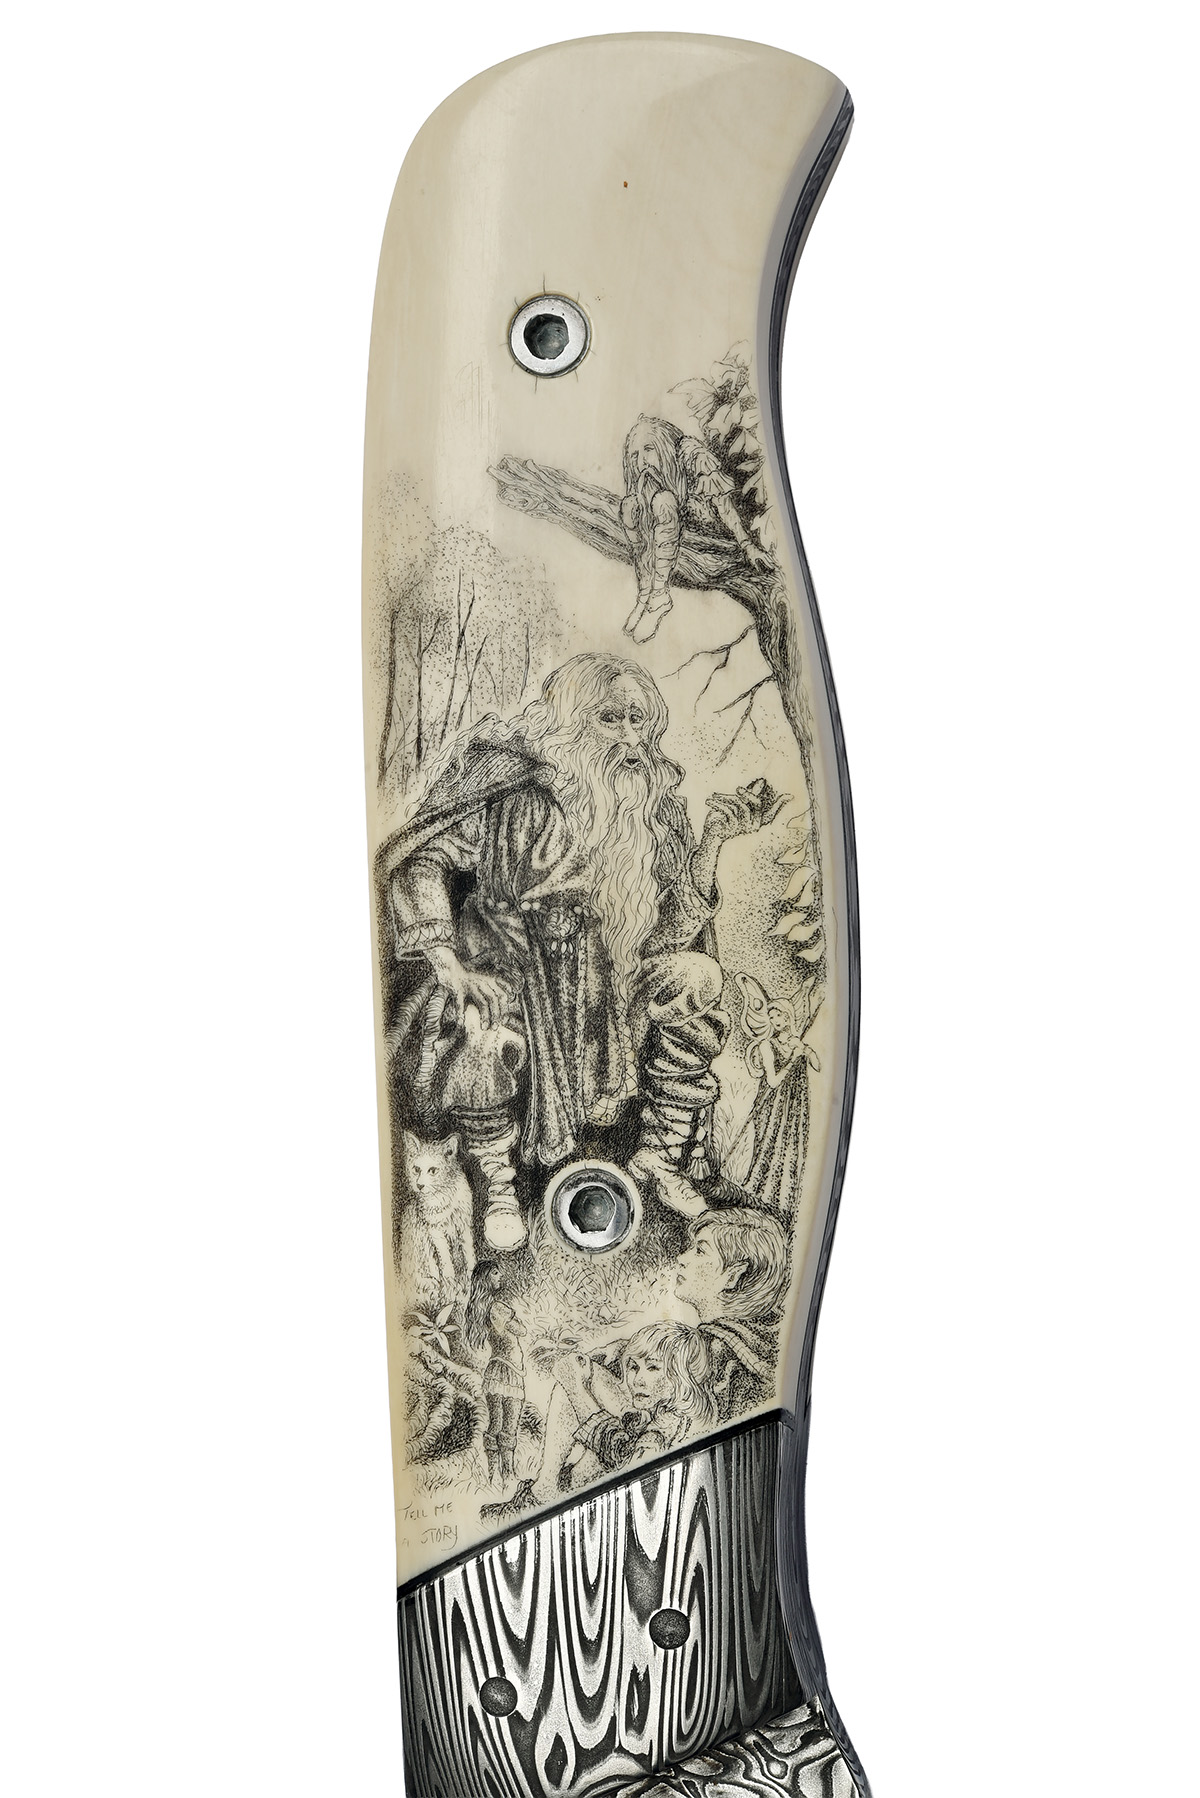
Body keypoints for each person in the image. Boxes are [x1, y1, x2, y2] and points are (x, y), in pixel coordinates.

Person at [377, 653, 785, 1247]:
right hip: (521, 973)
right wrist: (450, 965)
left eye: (638, 722)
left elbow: (672, 932)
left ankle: (659, 1157)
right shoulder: (513, 791)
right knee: (482, 1033)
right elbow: (422, 861)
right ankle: (499, 1185)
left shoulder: (652, 807)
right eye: (609, 719)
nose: (629, 740)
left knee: (696, 978)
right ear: (570, 722)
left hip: (615, 993)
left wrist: (715, 840)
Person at [556, 1320, 717, 1489]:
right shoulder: (688, 1406)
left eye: (652, 1367)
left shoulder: (663, 1432)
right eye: (633, 1367)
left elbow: (624, 1461)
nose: (638, 1380)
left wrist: (578, 1391)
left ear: (682, 1374)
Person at [674, 1207, 791, 1421]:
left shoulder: (710, 1350)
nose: (681, 1258)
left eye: (700, 1251)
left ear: (733, 1277)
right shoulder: (758, 1343)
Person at [464, 1261, 526, 1487]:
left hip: (495, 1370)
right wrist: (515, 1318)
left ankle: (492, 1475)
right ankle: (508, 1474)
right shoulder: (498, 1307)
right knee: (509, 1424)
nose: (501, 1276)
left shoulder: (480, 1308)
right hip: (511, 1370)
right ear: (486, 1278)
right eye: (496, 1273)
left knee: (495, 1423)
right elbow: (521, 1330)